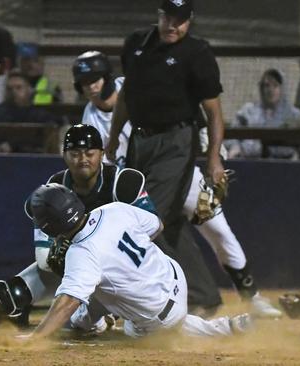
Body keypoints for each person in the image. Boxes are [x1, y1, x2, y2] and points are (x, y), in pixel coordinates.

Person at [73, 52, 281, 317]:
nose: (91, 85)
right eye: (84, 81)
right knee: (150, 243)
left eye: (96, 78)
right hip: (143, 190)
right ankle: (172, 302)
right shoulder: (89, 118)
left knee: (219, 230)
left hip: (179, 172)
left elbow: (180, 104)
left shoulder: (134, 86)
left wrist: (209, 145)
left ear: (108, 77)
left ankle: (252, 298)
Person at [0, 124, 158, 330]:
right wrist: (66, 257)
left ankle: (101, 315)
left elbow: (153, 225)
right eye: (75, 153)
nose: (82, 159)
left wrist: (111, 250)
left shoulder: (122, 182)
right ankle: (9, 314)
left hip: (121, 269)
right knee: (7, 296)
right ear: (64, 155)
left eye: (89, 153)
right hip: (75, 262)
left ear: (102, 153)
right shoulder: (55, 187)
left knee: (80, 323)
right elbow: (45, 259)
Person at [105, 0, 225, 316]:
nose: (174, 25)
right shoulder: (136, 44)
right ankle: (203, 296)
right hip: (140, 140)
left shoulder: (197, 52)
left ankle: (167, 294)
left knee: (144, 218)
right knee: (165, 222)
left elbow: (213, 111)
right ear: (159, 15)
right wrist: (114, 136)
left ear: (190, 20)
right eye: (169, 16)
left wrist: (214, 157)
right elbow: (127, 96)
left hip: (177, 142)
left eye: (181, 19)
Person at [21, 183, 252, 339]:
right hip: (175, 277)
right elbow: (157, 226)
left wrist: (36, 338)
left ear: (49, 226)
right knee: (103, 281)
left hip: (160, 316)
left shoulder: (80, 254)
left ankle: (218, 330)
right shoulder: (112, 209)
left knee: (131, 327)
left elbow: (67, 302)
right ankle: (86, 322)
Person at [0, 71, 62, 152]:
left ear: (29, 90)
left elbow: (47, 136)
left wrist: (13, 145)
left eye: (18, 87)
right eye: (9, 89)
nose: (13, 91)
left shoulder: (39, 116)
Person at [227, 68, 300, 159]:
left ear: (282, 89)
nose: (270, 90)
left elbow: (299, 145)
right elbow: (231, 136)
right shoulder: (248, 112)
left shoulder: (294, 115)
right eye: (267, 85)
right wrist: (236, 147)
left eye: (275, 85)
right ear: (261, 88)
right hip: (250, 162)